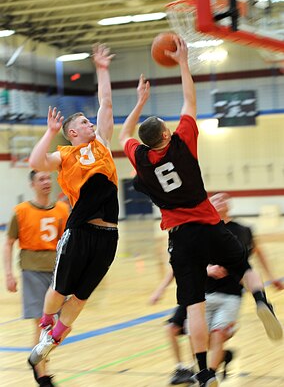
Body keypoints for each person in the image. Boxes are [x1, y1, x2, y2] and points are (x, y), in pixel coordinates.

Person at [119, 35, 283, 387]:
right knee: (242, 265)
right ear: (166, 132)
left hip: (180, 239)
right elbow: (190, 100)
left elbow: (122, 135)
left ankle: (204, 374)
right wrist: (182, 62)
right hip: (208, 224)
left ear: (145, 143)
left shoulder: (141, 160)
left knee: (194, 305)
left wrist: (137, 103)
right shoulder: (182, 141)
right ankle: (260, 300)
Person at [27, 44, 119, 371]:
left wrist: (102, 68)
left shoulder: (102, 144)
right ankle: (45, 325)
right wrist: (50, 132)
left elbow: (106, 103)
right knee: (61, 288)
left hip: (109, 235)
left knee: (80, 297)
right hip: (80, 229)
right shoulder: (65, 154)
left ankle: (49, 344)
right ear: (72, 132)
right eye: (83, 120)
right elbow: (36, 161)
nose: (90, 121)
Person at [150, 193, 284, 385]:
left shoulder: (241, 230)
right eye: (215, 199)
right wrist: (162, 288)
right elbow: (182, 263)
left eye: (223, 199)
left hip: (230, 294)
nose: (220, 201)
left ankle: (209, 372)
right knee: (188, 332)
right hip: (202, 292)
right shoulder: (200, 230)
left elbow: (255, 254)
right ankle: (197, 367)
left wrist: (271, 278)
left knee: (216, 333)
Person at [3, 170, 69, 387]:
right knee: (43, 326)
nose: (46, 182)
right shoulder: (21, 211)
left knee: (66, 324)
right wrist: (9, 274)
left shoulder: (61, 209)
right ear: (32, 184)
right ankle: (42, 375)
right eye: (41, 179)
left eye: (48, 178)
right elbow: (9, 242)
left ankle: (37, 359)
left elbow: (69, 242)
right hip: (32, 271)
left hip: (57, 272)